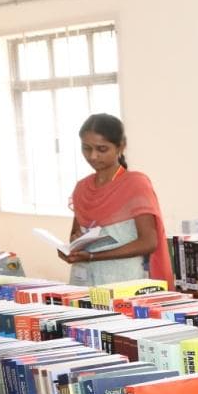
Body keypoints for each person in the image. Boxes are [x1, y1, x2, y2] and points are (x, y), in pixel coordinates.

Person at [62, 114, 174, 286]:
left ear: (120, 146)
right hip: (83, 281)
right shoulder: (82, 187)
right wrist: (72, 249)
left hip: (123, 281)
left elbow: (148, 242)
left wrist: (94, 256)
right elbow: (75, 235)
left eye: (102, 149)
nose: (93, 156)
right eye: (86, 148)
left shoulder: (135, 184)